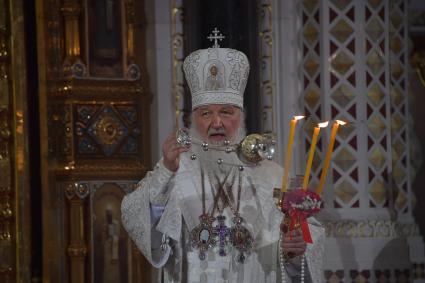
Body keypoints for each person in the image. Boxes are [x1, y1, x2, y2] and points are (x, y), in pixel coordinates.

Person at [121, 45, 325, 282]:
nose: (216, 122)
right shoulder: (175, 167)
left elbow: (307, 240)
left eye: (226, 112)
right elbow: (134, 215)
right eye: (205, 113)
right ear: (193, 119)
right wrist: (165, 171)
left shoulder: (270, 175)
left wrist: (295, 250)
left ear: (241, 116)